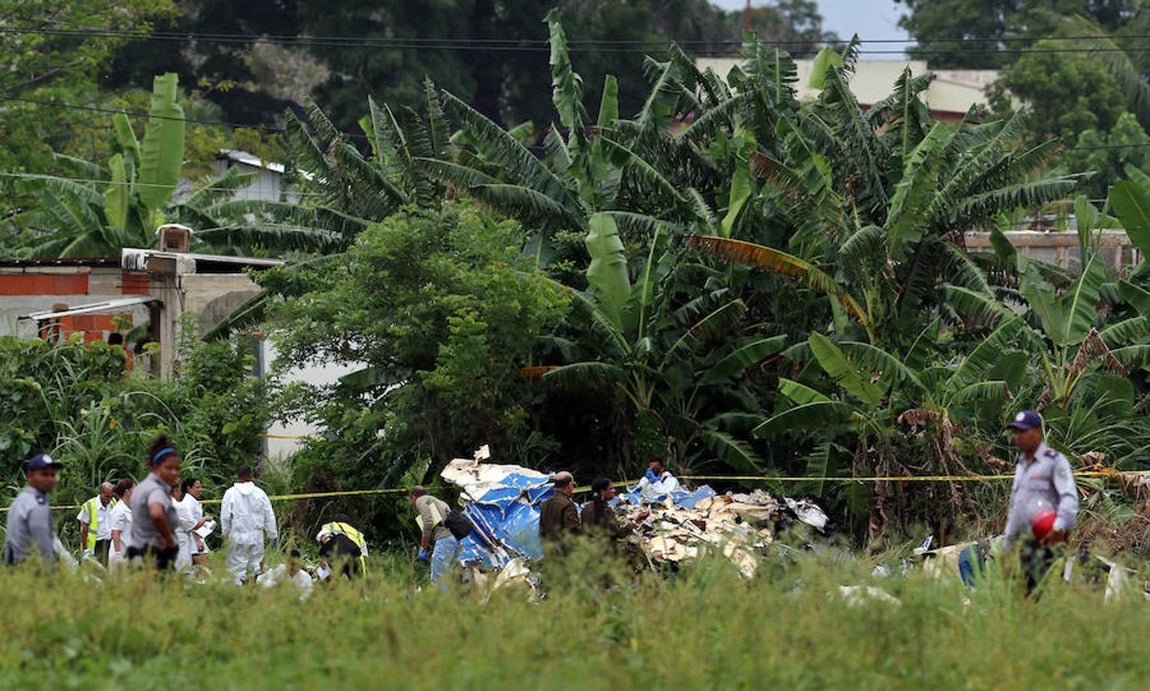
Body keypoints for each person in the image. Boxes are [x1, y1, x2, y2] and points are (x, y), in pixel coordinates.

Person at [1002, 410, 1080, 594]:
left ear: (1037, 432)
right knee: (1020, 599)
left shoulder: (1055, 461)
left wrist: (1058, 528)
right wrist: (1008, 544)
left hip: (1047, 541)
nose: (1017, 437)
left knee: (1043, 596)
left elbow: (1069, 498)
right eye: (1015, 432)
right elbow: (1017, 508)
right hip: (1023, 544)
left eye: (1023, 432)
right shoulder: (1021, 465)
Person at [126, 437, 182, 570]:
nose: (174, 473)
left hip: (138, 555)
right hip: (155, 559)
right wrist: (169, 539)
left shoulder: (141, 488)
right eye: (169, 468)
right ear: (156, 467)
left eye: (177, 468)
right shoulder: (157, 490)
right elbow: (156, 513)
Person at [220, 466, 278, 586]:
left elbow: (225, 517)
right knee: (257, 566)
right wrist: (272, 534)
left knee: (236, 569)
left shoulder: (230, 493)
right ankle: (256, 591)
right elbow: (269, 515)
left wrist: (226, 533)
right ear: (251, 476)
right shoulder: (260, 493)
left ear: (237, 476)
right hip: (257, 537)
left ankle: (238, 595)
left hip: (237, 535)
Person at [4, 453, 64, 567]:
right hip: (33, 572)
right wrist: (53, 574)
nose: (50, 479)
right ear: (30, 476)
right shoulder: (37, 505)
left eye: (53, 474)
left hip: (14, 571)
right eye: (44, 474)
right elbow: (43, 545)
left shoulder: (20, 501)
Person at [409, 487, 459, 590]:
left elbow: (428, 522)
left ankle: (440, 604)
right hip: (454, 539)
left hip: (444, 539)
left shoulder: (421, 500)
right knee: (448, 575)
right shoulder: (438, 502)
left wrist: (423, 546)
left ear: (413, 497)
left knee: (438, 577)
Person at [316, 514, 368, 580]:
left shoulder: (331, 526)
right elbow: (365, 557)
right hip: (355, 562)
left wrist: (322, 559)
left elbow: (322, 538)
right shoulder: (358, 534)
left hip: (335, 559)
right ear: (349, 524)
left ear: (336, 521)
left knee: (323, 576)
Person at [539, 471, 580, 553]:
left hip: (550, 551)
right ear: (569, 486)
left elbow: (542, 530)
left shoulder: (545, 504)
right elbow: (572, 530)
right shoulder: (567, 504)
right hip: (565, 553)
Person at [77, 481, 117, 566]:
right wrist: (85, 549)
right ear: (100, 493)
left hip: (109, 543)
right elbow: (84, 530)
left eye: (111, 496)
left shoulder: (113, 503)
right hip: (96, 545)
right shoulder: (90, 505)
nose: (109, 499)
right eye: (107, 496)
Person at [178, 477, 213, 572]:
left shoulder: (192, 501)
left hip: (196, 539)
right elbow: (191, 524)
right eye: (197, 487)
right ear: (189, 488)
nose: (200, 490)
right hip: (194, 541)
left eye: (200, 487)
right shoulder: (188, 503)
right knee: (205, 568)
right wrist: (198, 541)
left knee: (198, 570)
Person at [107, 478, 135, 569]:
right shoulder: (119, 510)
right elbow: (116, 533)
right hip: (120, 555)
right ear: (127, 492)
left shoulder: (129, 508)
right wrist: (118, 555)